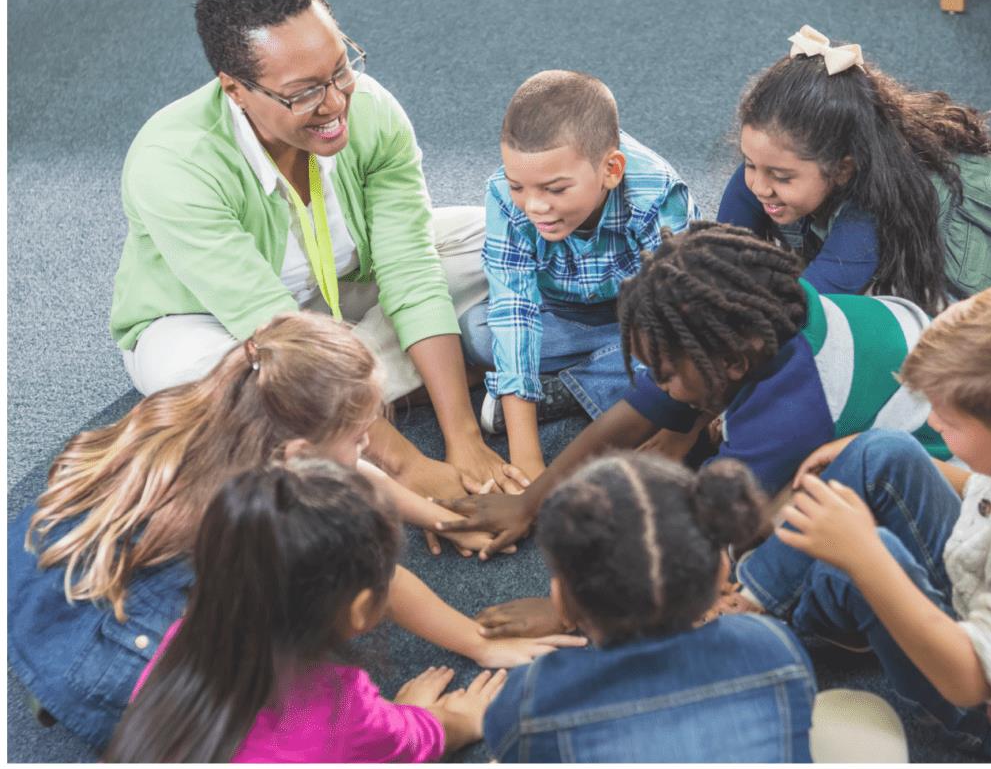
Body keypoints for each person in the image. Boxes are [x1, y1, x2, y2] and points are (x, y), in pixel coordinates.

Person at [8, 312, 584, 751]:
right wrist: (446, 713)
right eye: (361, 435)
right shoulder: (274, 530)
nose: (370, 450)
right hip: (118, 668)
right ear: (301, 453)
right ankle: (81, 695)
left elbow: (345, 471)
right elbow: (359, 725)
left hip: (35, 582)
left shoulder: (227, 406)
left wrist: (438, 515)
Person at [108, 0, 518, 498]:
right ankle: (377, 393)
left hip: (338, 292)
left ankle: (354, 397)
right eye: (304, 92)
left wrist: (463, 437)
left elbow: (410, 267)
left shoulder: (370, 108)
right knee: (216, 381)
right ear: (235, 89)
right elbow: (277, 332)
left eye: (341, 68)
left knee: (498, 235)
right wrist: (411, 468)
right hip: (219, 324)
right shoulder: (172, 163)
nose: (336, 102)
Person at [436, 223, 949, 569]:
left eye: (664, 373)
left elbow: (707, 533)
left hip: (940, 467)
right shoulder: (759, 321)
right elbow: (631, 417)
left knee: (766, 553)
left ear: (732, 364)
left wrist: (566, 611)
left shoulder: (789, 411)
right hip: (904, 356)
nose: (654, 386)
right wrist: (530, 501)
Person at [729, 281, 991, 759]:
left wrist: (866, 555)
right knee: (885, 449)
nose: (936, 425)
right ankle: (754, 597)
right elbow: (989, 493)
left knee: (853, 562)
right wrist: (863, 451)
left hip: (988, 704)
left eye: (948, 420)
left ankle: (755, 640)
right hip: (975, 583)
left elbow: (969, 681)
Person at [105, 460, 508, 762]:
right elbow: (414, 742)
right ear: (362, 609)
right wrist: (459, 720)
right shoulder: (341, 710)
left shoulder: (181, 639)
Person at [483, 451, 818, 762]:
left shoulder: (535, 697)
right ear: (721, 573)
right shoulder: (773, 643)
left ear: (563, 603)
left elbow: (504, 739)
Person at [459, 70, 700, 481]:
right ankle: (594, 384)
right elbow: (513, 307)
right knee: (478, 333)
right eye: (520, 186)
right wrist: (527, 460)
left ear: (611, 169)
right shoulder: (503, 194)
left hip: (640, 318)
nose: (534, 206)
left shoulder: (657, 194)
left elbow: (678, 319)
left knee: (684, 364)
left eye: (555, 190)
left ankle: (569, 387)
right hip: (560, 312)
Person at [717, 24, 991, 314]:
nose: (759, 186)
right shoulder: (769, 169)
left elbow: (801, 310)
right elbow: (721, 253)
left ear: (843, 169)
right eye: (750, 163)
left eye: (781, 177)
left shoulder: (870, 215)